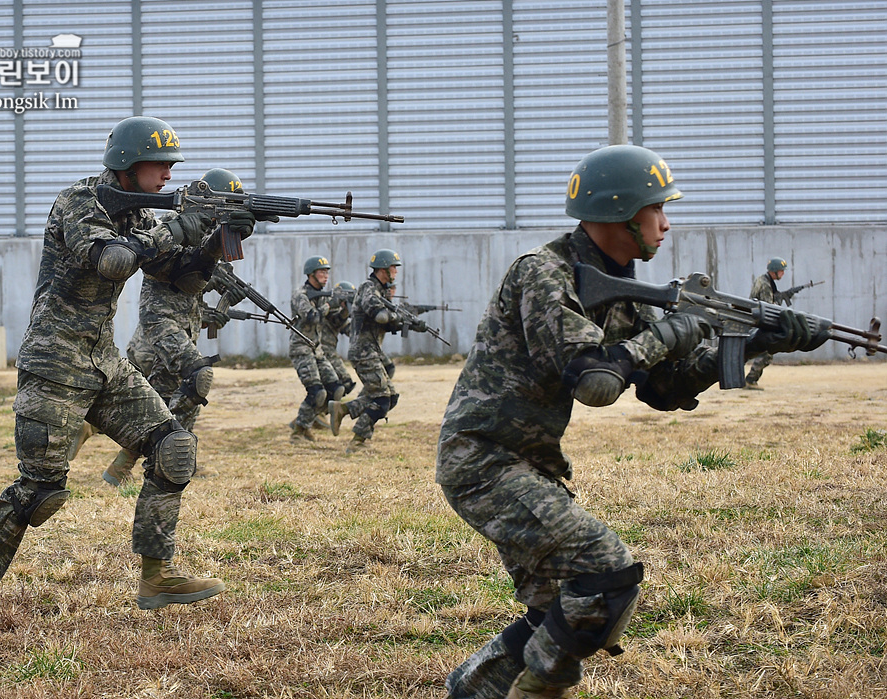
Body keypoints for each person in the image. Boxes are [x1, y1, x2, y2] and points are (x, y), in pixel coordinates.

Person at [435, 145, 828, 698]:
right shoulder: (544, 275)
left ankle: (472, 689)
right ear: (621, 213)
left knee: (562, 605)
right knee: (604, 571)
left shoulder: (625, 295)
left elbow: (664, 389)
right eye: (657, 209)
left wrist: (757, 339)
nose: (666, 223)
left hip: (529, 464)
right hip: (482, 460)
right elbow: (596, 381)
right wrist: (675, 329)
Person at [0, 117, 257, 628]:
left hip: (103, 360)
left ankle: (157, 575)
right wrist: (180, 223)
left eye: (171, 166)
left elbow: (177, 274)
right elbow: (111, 262)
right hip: (53, 361)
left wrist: (213, 239)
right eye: (160, 165)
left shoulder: (138, 216)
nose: (168, 175)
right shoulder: (79, 202)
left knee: (174, 448)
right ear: (128, 165)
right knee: (41, 491)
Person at [84, 168, 254, 485]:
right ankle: (94, 429)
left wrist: (211, 313)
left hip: (182, 327)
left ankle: (121, 469)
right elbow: (178, 274)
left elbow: (193, 291)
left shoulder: (208, 235)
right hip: (160, 327)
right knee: (192, 382)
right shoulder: (175, 228)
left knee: (164, 404)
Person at [328, 249, 427, 453]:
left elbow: (387, 325)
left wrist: (410, 324)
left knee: (390, 397)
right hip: (363, 352)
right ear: (383, 269)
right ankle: (356, 443)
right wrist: (399, 315)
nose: (396, 272)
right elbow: (381, 316)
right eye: (393, 267)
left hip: (372, 351)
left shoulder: (380, 292)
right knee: (382, 398)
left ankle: (344, 409)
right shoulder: (368, 288)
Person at [288, 255, 344, 442]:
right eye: (322, 272)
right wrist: (330, 305)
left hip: (316, 350)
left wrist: (345, 308)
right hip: (301, 349)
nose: (326, 275)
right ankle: (299, 431)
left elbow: (335, 321)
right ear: (311, 273)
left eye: (327, 272)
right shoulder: (301, 294)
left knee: (336, 388)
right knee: (316, 392)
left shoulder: (322, 296)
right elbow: (311, 317)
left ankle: (307, 420)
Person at [744, 257, 789, 390]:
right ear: (774, 271)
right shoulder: (765, 284)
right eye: (781, 271)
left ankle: (748, 379)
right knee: (767, 352)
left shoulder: (763, 280)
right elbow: (768, 307)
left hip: (755, 320)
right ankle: (751, 380)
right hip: (760, 322)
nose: (783, 274)